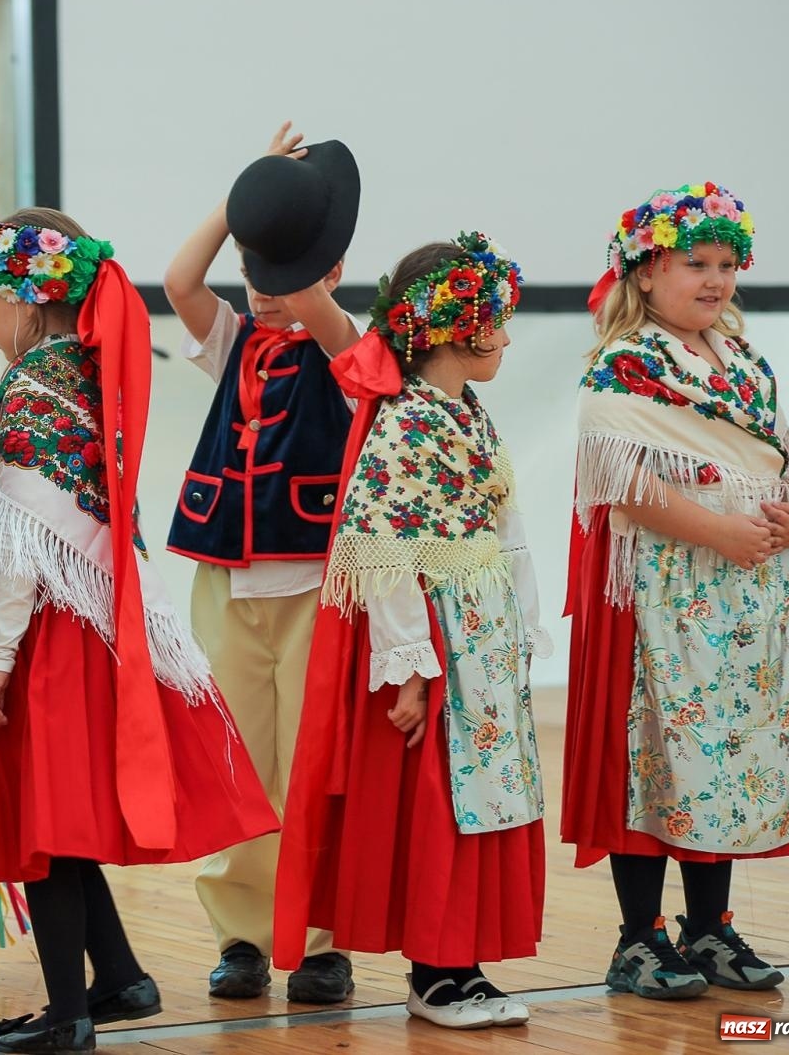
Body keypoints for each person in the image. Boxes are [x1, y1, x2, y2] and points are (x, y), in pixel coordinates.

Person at [0, 209, 279, 1054]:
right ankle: (122, 977)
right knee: (68, 811)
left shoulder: (31, 386)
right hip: (100, 621)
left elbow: (17, 541)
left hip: (55, 628)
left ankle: (68, 1017)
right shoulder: (94, 369)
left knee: (53, 823)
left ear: (27, 298)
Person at [274, 233, 545, 1029]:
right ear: (453, 327)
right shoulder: (405, 423)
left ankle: (463, 960)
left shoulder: (466, 411)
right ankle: (437, 972)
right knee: (442, 802)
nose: (504, 334)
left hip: (481, 630)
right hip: (442, 633)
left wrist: (519, 620)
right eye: (493, 319)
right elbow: (385, 550)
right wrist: (410, 668)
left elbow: (504, 519)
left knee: (486, 798)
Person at [563, 182, 789, 999]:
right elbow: (619, 481)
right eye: (693, 264)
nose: (714, 280)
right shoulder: (626, 364)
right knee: (660, 753)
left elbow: (784, 455)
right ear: (644, 274)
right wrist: (718, 532)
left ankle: (709, 930)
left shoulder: (744, 363)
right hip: (670, 592)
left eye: (725, 264)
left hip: (750, 592)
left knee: (732, 755)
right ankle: (638, 940)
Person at [162, 123, 359, 1003]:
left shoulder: (345, 341)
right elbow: (177, 280)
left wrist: (296, 227)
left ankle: (319, 939)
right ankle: (239, 934)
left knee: (312, 762)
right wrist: (247, 204)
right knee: (237, 759)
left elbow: (316, 308)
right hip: (227, 581)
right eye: (255, 275)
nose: (267, 293)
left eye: (281, 276)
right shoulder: (233, 337)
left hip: (316, 581)